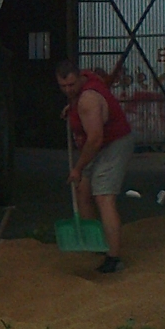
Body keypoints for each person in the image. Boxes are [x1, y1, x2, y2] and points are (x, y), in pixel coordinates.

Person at [56, 60, 135, 274]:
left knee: (103, 196)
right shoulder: (85, 79)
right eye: (63, 86)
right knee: (82, 189)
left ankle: (114, 258)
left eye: (71, 85)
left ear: (79, 78)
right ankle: (95, 241)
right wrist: (72, 106)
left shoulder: (88, 100)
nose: (67, 90)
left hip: (113, 143)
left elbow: (95, 140)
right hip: (95, 145)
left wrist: (77, 168)